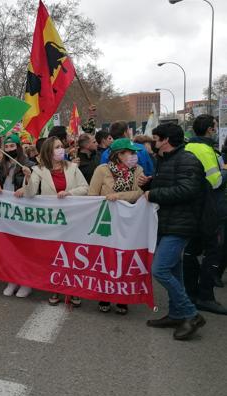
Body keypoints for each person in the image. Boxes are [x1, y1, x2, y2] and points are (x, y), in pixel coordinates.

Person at [145, 123, 206, 340]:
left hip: (181, 225)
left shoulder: (187, 160)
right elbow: (171, 184)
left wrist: (154, 194)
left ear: (165, 140)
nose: (153, 142)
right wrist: (149, 184)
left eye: (155, 138)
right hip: (167, 223)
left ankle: (191, 314)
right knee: (174, 271)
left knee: (159, 270)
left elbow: (188, 190)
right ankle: (176, 313)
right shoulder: (165, 160)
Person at [17, 136, 89, 306]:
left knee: (72, 255)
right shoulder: (38, 170)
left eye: (61, 146)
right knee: (55, 255)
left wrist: (69, 193)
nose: (61, 149)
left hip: (72, 218)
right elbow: (30, 193)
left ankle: (74, 290)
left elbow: (85, 187)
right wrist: (27, 178)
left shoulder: (72, 167)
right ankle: (55, 288)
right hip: (52, 220)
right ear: (49, 152)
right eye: (57, 147)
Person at [88, 138, 145, 314]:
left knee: (124, 258)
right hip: (106, 221)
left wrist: (118, 196)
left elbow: (139, 193)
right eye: (131, 152)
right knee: (105, 259)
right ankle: (104, 294)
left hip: (129, 222)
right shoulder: (102, 170)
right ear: (119, 155)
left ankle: (122, 297)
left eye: (135, 153)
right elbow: (92, 195)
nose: (135, 156)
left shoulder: (138, 170)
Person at [182, 114, 227, 315]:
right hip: (208, 209)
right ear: (210, 129)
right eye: (215, 126)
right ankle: (205, 296)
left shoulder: (188, 147)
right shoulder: (206, 150)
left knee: (191, 252)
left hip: (190, 208)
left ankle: (190, 293)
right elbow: (215, 181)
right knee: (213, 252)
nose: (216, 129)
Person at [0, 134, 34, 298]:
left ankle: (26, 282)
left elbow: (36, 187)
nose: (9, 150)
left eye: (12, 147)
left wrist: (27, 184)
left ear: (18, 148)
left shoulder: (29, 165)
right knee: (8, 247)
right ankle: (12, 279)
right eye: (7, 147)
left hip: (22, 211)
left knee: (23, 247)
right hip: (5, 211)